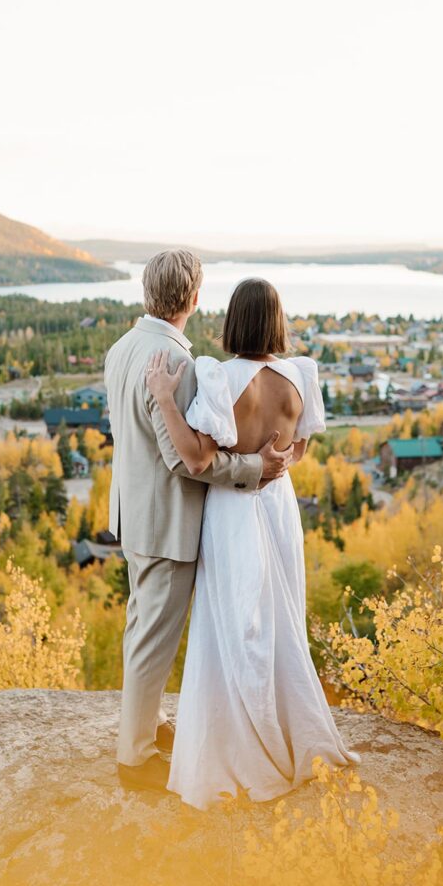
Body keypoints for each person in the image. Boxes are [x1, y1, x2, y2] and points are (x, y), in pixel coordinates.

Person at [145, 277, 360, 810]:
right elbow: (300, 448)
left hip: (234, 509)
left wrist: (165, 399)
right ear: (278, 320)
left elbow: (197, 457)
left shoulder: (218, 378)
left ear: (234, 321)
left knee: (233, 624)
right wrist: (276, 463)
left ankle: (242, 740)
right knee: (281, 616)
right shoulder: (300, 375)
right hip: (279, 506)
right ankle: (292, 731)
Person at [104, 252, 294, 793]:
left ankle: (147, 723)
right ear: (191, 298)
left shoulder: (125, 347)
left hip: (133, 510)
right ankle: (134, 756)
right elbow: (191, 460)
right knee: (153, 636)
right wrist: (258, 468)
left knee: (143, 625)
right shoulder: (174, 362)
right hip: (167, 519)